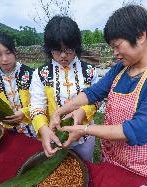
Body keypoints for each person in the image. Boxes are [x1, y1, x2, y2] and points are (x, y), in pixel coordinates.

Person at [47, 5, 147, 182]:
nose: (115, 54)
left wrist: (84, 129)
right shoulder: (122, 68)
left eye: (117, 46)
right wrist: (59, 112)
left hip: (139, 164)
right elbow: (93, 93)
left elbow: (138, 130)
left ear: (140, 36)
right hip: (110, 156)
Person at [30, 15, 99, 161]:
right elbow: (36, 106)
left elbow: (97, 100)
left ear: (76, 47)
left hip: (84, 136)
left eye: (68, 50)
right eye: (56, 50)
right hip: (54, 136)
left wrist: (83, 111)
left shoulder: (90, 71)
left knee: (86, 165)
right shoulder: (41, 74)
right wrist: (43, 130)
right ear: (49, 49)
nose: (62, 56)